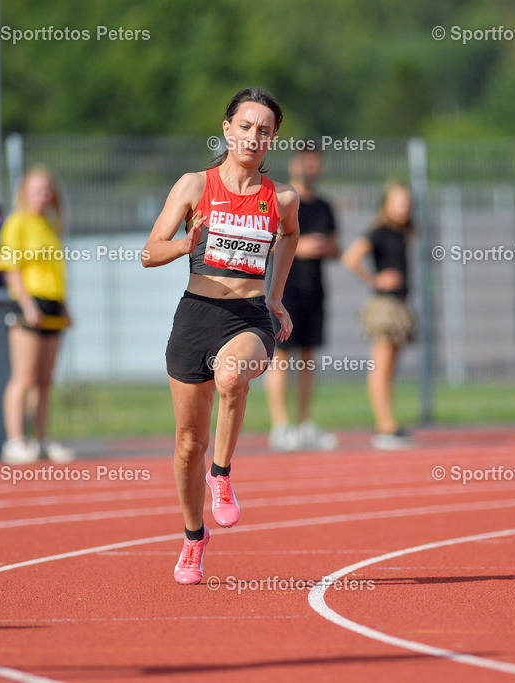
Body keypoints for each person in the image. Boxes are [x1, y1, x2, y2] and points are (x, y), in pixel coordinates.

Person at [142, 87, 299, 584]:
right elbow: (148, 252)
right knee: (188, 444)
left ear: (273, 140)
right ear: (228, 130)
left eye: (265, 131)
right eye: (246, 127)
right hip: (195, 316)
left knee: (234, 378)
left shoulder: (282, 198)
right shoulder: (194, 185)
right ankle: (193, 538)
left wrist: (275, 295)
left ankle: (223, 475)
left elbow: (289, 234)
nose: (254, 137)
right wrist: (184, 244)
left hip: (249, 318)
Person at [0, 167, 75, 465]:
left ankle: (42, 440)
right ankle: (15, 440)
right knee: (24, 377)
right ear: (24, 192)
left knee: (45, 380)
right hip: (30, 305)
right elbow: (11, 268)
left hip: (54, 305)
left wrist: (65, 307)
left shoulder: (49, 226)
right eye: (36, 189)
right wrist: (28, 306)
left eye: (46, 189)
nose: (42, 195)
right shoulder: (17, 223)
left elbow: (56, 272)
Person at [265, 148, 339, 451]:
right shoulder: (280, 200)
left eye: (316, 165)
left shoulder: (324, 206)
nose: (312, 169)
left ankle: (305, 424)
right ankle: (280, 427)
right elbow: (264, 242)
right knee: (281, 356)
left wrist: (324, 248)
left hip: (315, 291)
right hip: (284, 291)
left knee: (308, 357)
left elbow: (336, 248)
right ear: (295, 164)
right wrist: (299, 246)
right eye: (307, 163)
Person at [341, 181, 415, 450]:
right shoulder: (379, 231)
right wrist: (374, 280)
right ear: (386, 204)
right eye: (399, 202)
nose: (404, 208)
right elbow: (351, 257)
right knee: (381, 368)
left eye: (407, 203)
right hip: (384, 307)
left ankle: (388, 423)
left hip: (399, 304)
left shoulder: (401, 231)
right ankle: (384, 427)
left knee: (390, 369)